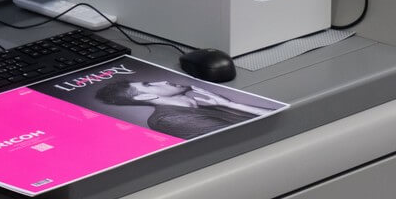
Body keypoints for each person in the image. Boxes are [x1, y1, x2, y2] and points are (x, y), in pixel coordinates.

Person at [95, 80, 273, 139]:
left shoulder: (205, 105)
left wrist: (231, 105)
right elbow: (250, 138)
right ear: (144, 97)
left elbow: (275, 120)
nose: (163, 81)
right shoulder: (169, 119)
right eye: (149, 84)